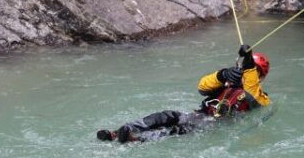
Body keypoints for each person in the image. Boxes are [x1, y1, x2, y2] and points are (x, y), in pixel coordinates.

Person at [96, 44, 270, 143]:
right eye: (245, 68)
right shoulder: (227, 81)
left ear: (259, 76)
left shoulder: (262, 98)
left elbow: (250, 92)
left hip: (213, 125)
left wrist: (249, 68)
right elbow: (202, 87)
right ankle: (121, 131)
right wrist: (222, 74)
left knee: (178, 130)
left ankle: (137, 140)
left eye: (253, 71)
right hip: (198, 115)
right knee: (165, 116)